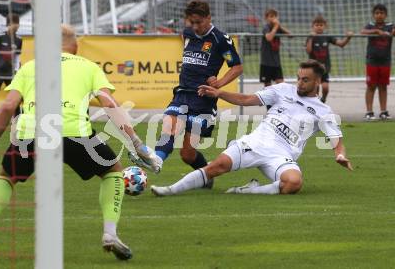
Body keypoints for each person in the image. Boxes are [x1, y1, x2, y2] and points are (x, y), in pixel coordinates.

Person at [0, 25, 159, 263]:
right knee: (113, 172)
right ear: (75, 45)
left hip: (31, 134)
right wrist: (137, 144)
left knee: (6, 177)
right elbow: (110, 104)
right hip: (74, 133)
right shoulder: (88, 66)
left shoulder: (30, 67)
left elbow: (7, 107)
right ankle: (110, 234)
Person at [151, 60, 353, 197]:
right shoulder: (283, 90)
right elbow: (248, 99)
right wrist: (220, 93)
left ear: (317, 82)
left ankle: (248, 190)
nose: (300, 82)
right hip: (256, 142)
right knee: (216, 167)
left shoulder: (324, 111)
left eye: (305, 79)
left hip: (281, 155)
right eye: (299, 77)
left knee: (293, 183)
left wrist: (340, 156)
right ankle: (169, 190)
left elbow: (338, 143)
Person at [130, 0, 243, 187]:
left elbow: (237, 67)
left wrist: (219, 84)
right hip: (182, 94)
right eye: (192, 22)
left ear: (209, 17)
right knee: (170, 126)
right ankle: (156, 160)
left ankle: (207, 176)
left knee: (187, 154)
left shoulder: (220, 40)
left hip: (203, 101)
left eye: (199, 22)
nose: (196, 26)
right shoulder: (188, 33)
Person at [306, 15, 353, 103]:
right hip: (313, 68)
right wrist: (310, 38)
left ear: (325, 26)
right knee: (315, 88)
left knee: (325, 87)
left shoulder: (327, 37)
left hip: (324, 67)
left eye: (321, 25)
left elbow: (341, 44)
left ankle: (323, 99)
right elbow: (308, 51)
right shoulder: (310, 37)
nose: (319, 27)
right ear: (312, 26)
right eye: (316, 25)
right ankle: (315, 104)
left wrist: (348, 37)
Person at [360, 4, 395, 121]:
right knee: (371, 86)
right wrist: (376, 31)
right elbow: (362, 32)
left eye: (381, 13)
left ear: (385, 15)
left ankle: (383, 111)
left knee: (383, 87)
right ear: (373, 15)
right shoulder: (370, 26)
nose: (379, 15)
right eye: (377, 13)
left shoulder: (390, 26)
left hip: (385, 62)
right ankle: (369, 112)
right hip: (372, 61)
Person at [260, 8, 291, 89]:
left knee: (281, 84)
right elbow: (269, 38)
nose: (273, 18)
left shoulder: (277, 28)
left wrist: (279, 26)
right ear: (266, 18)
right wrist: (276, 27)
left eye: (275, 16)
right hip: (266, 62)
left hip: (276, 62)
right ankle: (268, 101)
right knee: (268, 86)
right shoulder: (266, 27)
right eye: (271, 16)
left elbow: (290, 35)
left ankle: (281, 100)